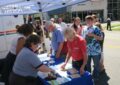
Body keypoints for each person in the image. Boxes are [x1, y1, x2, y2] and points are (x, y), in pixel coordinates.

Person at [84, 15, 103, 81]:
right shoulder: (85, 28)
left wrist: (93, 35)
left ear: (92, 21)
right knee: (87, 65)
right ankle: (89, 77)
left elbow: (101, 38)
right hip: (87, 51)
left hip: (96, 51)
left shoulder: (96, 28)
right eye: (87, 20)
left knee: (96, 65)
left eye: (89, 20)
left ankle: (96, 77)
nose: (88, 22)